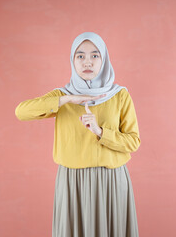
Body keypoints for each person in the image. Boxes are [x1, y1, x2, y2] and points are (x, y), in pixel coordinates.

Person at [15, 32, 141, 237]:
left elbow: (133, 142)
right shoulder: (62, 95)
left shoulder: (120, 95)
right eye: (80, 56)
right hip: (72, 182)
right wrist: (67, 100)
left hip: (111, 181)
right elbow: (21, 112)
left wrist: (100, 132)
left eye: (95, 55)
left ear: (104, 59)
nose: (87, 62)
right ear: (72, 60)